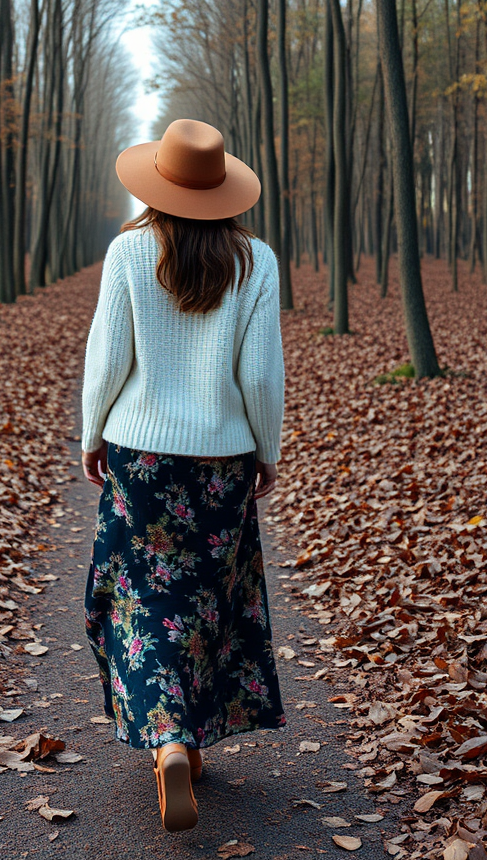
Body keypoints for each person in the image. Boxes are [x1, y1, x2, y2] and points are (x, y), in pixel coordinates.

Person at [80, 118, 285, 833]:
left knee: (139, 593)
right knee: (207, 598)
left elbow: (108, 356)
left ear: (158, 185)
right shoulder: (256, 260)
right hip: (222, 460)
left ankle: (167, 739)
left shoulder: (129, 251)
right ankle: (188, 737)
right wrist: (266, 449)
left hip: (140, 456)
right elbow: (260, 373)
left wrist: (92, 434)